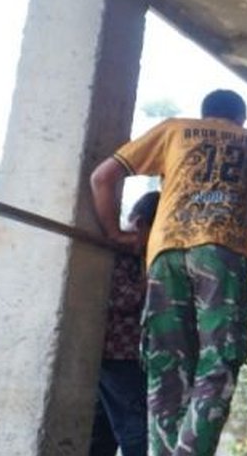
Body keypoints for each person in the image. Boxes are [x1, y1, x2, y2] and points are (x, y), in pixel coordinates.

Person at [90, 89, 247, 456]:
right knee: (219, 361)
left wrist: (114, 234)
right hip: (222, 260)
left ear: (205, 114)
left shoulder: (174, 131)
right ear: (241, 120)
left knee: (166, 365)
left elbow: (102, 178)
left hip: (167, 255)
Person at [88, 190, 159, 456]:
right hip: (116, 355)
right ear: (140, 224)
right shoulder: (117, 253)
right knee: (136, 430)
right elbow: (117, 301)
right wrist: (152, 279)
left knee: (102, 433)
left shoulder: (141, 256)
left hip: (132, 355)